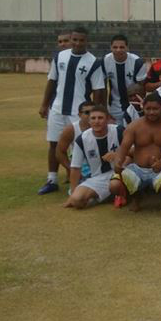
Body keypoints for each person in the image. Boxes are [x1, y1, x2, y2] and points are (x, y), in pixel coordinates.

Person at [37, 26, 105, 194]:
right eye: (75, 40)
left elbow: (99, 90)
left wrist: (95, 114)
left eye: (81, 40)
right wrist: (44, 104)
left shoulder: (93, 62)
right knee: (54, 144)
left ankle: (81, 176)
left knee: (79, 146)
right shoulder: (60, 56)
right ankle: (52, 179)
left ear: (87, 41)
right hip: (58, 109)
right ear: (71, 39)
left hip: (78, 112)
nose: (78, 43)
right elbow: (52, 81)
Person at [109, 94, 161, 212]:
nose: (151, 112)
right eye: (148, 109)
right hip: (137, 168)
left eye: (155, 109)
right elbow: (124, 147)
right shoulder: (134, 126)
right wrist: (118, 162)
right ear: (143, 108)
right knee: (114, 186)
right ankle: (136, 197)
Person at [63, 105, 124, 209]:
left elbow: (135, 151)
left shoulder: (119, 131)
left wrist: (118, 154)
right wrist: (72, 193)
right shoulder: (82, 139)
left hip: (121, 173)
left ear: (108, 119)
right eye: (93, 118)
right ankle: (107, 196)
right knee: (77, 201)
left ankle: (121, 195)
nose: (97, 121)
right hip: (98, 177)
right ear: (89, 121)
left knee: (115, 185)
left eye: (100, 118)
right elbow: (75, 168)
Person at [102, 34, 147, 125]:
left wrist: (140, 107)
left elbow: (141, 88)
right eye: (115, 47)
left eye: (122, 47)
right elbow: (102, 87)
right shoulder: (105, 61)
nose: (118, 50)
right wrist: (104, 110)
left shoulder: (138, 62)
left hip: (133, 106)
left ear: (127, 48)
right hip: (114, 107)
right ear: (110, 47)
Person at [55, 101, 94, 182]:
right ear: (79, 115)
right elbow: (59, 152)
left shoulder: (105, 127)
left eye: (93, 112)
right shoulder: (71, 130)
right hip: (83, 167)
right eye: (87, 112)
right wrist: (71, 169)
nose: (91, 115)